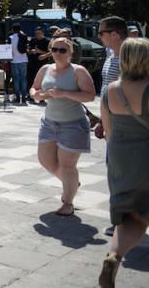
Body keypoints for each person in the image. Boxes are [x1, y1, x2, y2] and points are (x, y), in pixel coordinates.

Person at [98, 37, 149, 288]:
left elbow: (108, 131)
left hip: (121, 160)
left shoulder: (110, 90)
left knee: (131, 218)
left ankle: (114, 256)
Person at [30, 35, 96, 216]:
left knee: (67, 166)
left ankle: (68, 203)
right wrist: (38, 95)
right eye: (54, 50)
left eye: (63, 50)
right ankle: (72, 184)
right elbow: (34, 88)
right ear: (50, 51)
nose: (58, 53)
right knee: (46, 161)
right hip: (49, 123)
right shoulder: (45, 69)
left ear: (71, 53)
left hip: (73, 124)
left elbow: (90, 95)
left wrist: (63, 93)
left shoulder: (78, 71)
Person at [93, 16, 129, 236]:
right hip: (111, 124)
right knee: (115, 172)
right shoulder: (110, 56)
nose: (99, 36)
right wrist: (101, 120)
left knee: (121, 173)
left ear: (115, 34)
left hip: (123, 126)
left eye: (101, 32)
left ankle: (123, 221)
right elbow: (107, 91)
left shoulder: (129, 58)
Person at [26, 26, 51, 103]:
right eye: (36, 33)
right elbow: (28, 50)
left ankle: (42, 97)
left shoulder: (47, 41)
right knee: (30, 79)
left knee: (42, 81)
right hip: (32, 63)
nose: (37, 35)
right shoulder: (33, 40)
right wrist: (31, 51)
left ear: (43, 33)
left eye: (39, 33)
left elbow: (50, 53)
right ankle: (31, 96)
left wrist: (39, 51)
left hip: (42, 64)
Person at [9, 23, 29, 104]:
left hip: (14, 60)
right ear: (20, 29)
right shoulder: (24, 36)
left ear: (13, 29)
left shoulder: (10, 37)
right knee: (23, 79)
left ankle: (17, 97)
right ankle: (24, 97)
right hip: (23, 59)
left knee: (16, 79)